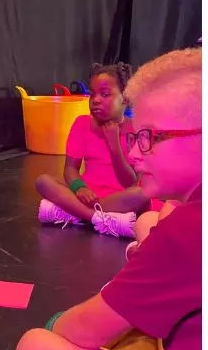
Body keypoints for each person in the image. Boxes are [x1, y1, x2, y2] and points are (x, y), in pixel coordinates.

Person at [0, 47, 202, 350]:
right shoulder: (207, 207)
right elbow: (70, 172)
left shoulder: (183, 232)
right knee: (144, 222)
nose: (138, 150)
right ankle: (101, 220)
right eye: (134, 136)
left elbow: (73, 332)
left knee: (36, 345)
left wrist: (59, 322)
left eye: (149, 138)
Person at [36, 62, 148, 239]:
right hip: (87, 195)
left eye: (104, 94)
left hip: (118, 199)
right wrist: (80, 188)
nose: (95, 100)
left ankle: (74, 212)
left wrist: (114, 146)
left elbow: (131, 182)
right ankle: (100, 219)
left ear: (125, 98)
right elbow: (71, 169)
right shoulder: (82, 124)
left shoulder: (136, 130)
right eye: (93, 94)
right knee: (43, 181)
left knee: (140, 194)